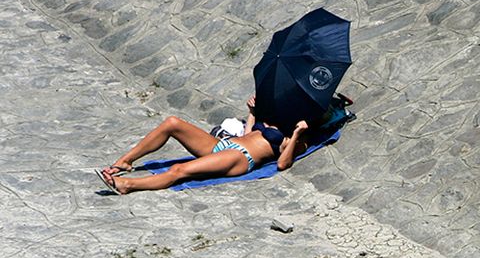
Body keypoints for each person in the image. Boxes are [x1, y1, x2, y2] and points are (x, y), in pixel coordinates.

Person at [96, 95, 341, 194]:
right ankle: (126, 161)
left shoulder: (300, 139)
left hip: (239, 157)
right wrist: (252, 112)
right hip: (224, 145)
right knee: (172, 123)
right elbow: (249, 132)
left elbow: (282, 164)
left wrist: (297, 134)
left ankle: (128, 185)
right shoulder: (277, 120)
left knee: (179, 170)